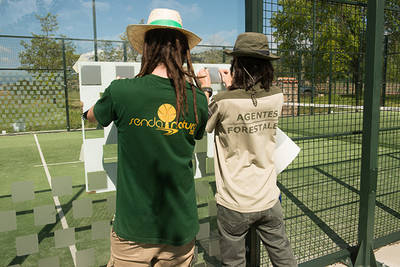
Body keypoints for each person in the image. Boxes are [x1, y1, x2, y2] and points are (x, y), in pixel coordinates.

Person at [85, 8, 208, 266]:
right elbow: (197, 130)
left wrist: (93, 106)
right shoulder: (196, 99)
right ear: (183, 50)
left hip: (134, 230)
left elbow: (94, 116)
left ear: (147, 48)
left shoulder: (122, 91)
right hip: (180, 228)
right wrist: (204, 90)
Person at [197, 32, 297, 267]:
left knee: (234, 263)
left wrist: (207, 89)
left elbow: (203, 124)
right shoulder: (277, 97)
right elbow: (251, 103)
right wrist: (233, 88)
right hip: (268, 198)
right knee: (284, 258)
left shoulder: (223, 101)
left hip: (234, 202)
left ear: (237, 64)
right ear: (267, 66)